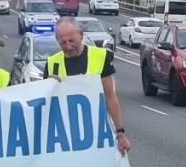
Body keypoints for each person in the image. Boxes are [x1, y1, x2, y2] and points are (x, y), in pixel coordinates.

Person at [47, 17, 130, 156]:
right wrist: (49, 86)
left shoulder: (99, 56)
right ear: (57, 40)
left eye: (71, 41)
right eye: (63, 43)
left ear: (81, 35)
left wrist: (120, 133)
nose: (68, 46)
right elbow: (46, 105)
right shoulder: (52, 63)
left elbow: (110, 96)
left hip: (96, 135)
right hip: (65, 138)